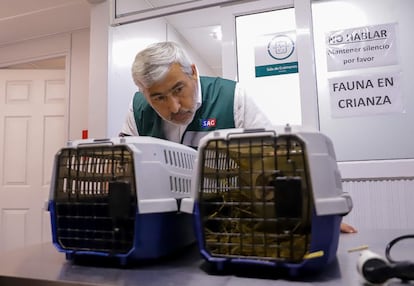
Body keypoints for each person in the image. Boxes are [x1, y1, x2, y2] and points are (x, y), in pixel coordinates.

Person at [119, 41, 357, 234]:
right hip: (164, 227)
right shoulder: (138, 109)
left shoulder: (232, 97)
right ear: (144, 93)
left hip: (230, 223)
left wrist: (310, 217)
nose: (174, 107)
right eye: (158, 98)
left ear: (192, 72)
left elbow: (274, 163)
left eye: (178, 89)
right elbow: (123, 170)